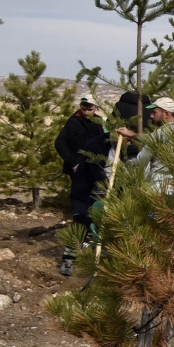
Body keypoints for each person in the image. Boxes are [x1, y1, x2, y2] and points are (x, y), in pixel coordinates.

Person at [54, 96, 113, 276]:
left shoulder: (98, 124)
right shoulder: (74, 123)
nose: (87, 111)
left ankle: (89, 246)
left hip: (98, 172)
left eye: (90, 108)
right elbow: (60, 143)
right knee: (82, 212)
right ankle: (71, 255)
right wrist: (73, 162)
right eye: (84, 107)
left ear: (96, 107)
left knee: (96, 212)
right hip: (81, 171)